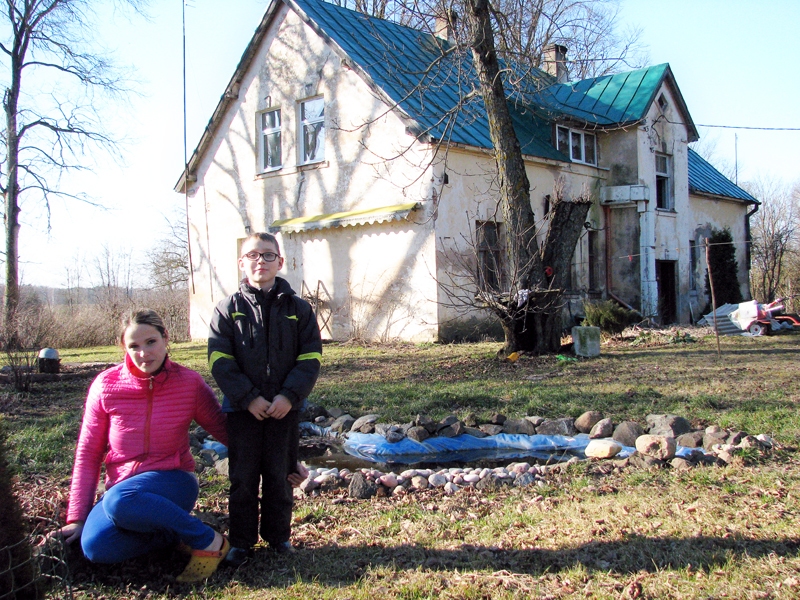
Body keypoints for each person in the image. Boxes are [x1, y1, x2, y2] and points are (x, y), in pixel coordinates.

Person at [58, 309, 230, 583]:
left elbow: (228, 433)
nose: (143, 353)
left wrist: (283, 461)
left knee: (119, 501)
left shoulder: (189, 384)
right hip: (122, 489)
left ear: (165, 339)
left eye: (151, 342)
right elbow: (88, 453)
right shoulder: (105, 386)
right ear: (124, 348)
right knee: (95, 547)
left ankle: (209, 541)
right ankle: (174, 534)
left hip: (173, 481)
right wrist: (76, 518)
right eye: (134, 346)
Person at [208, 232, 321, 566]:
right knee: (242, 478)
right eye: (253, 255)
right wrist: (248, 398)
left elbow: (310, 358)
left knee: (280, 474)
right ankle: (241, 541)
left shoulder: (299, 309)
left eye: (268, 255)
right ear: (242, 263)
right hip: (243, 412)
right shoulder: (228, 309)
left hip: (284, 410)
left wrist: (289, 396)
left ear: (280, 262)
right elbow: (219, 360)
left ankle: (278, 538)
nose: (261, 261)